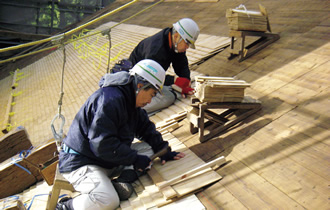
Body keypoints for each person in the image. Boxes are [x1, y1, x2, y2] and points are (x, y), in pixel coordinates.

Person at [56, 59, 185, 210]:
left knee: (151, 149)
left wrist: (163, 150)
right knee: (108, 200)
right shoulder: (109, 101)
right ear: (140, 86)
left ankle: (123, 179)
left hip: (106, 158)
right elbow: (102, 145)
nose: (150, 101)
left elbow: (145, 127)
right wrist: (134, 159)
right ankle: (66, 206)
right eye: (152, 94)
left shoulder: (130, 98)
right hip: (82, 162)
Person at [128, 18, 200, 114]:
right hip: (136, 83)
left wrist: (185, 81)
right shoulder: (156, 50)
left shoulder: (174, 42)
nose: (187, 47)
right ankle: (131, 111)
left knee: (169, 91)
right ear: (176, 36)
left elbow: (181, 63)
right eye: (187, 44)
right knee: (167, 98)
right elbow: (151, 78)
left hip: (147, 77)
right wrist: (174, 80)